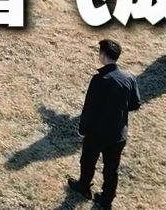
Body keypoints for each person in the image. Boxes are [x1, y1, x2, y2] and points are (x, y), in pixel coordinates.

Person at [68, 39, 140, 209]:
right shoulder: (129, 77)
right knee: (111, 169)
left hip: (97, 133)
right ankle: (107, 200)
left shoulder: (100, 80)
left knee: (88, 161)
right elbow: (135, 104)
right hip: (118, 134)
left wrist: (82, 129)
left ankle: (84, 186)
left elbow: (89, 107)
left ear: (104, 55)